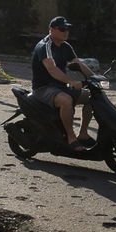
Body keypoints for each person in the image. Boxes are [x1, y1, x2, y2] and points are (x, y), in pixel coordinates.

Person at [30, 16, 96, 150]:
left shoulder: (65, 46)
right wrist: (71, 81)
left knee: (92, 97)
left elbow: (78, 63)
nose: (66, 31)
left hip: (59, 87)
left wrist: (95, 78)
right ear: (51, 30)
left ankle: (83, 134)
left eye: (67, 29)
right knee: (66, 100)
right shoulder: (45, 46)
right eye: (62, 29)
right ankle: (71, 138)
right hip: (43, 88)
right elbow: (52, 69)